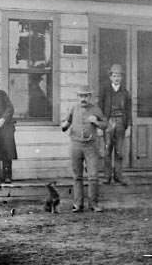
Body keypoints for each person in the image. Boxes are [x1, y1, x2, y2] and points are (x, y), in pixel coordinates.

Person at [61, 85, 107, 213]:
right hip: (76, 145)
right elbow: (66, 123)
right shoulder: (73, 108)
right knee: (77, 176)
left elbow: (105, 125)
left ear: (90, 97)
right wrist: (64, 125)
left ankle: (93, 204)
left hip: (91, 146)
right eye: (81, 96)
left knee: (93, 176)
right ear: (78, 97)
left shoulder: (96, 109)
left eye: (86, 96)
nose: (83, 98)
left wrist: (96, 122)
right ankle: (78, 204)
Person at [100, 63, 131, 185]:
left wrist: (129, 126)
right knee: (107, 150)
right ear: (110, 77)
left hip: (120, 123)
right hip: (108, 122)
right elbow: (100, 108)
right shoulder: (105, 90)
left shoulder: (125, 92)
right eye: (114, 75)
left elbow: (128, 110)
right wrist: (101, 124)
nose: (117, 78)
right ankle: (107, 177)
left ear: (122, 77)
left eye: (119, 76)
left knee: (119, 151)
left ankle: (118, 176)